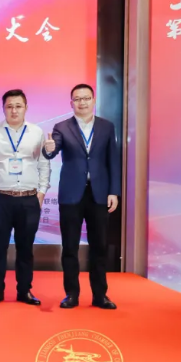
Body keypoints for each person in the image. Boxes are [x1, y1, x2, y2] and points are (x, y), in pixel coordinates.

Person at [43, 83, 120, 310]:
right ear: (71, 103)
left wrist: (114, 191)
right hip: (71, 194)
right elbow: (52, 151)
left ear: (93, 100)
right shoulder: (62, 127)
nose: (82, 102)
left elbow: (113, 161)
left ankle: (100, 295)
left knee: (99, 247)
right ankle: (71, 294)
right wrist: (48, 148)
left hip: (99, 194)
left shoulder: (106, 126)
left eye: (86, 98)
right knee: (70, 247)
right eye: (77, 99)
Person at [0, 89, 49, 306]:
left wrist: (41, 192)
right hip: (0, 199)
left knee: (26, 248)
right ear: (3, 108)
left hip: (28, 199)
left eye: (18, 106)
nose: (14, 110)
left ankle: (25, 291)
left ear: (26, 108)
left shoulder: (36, 132)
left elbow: (43, 163)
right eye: (9, 106)